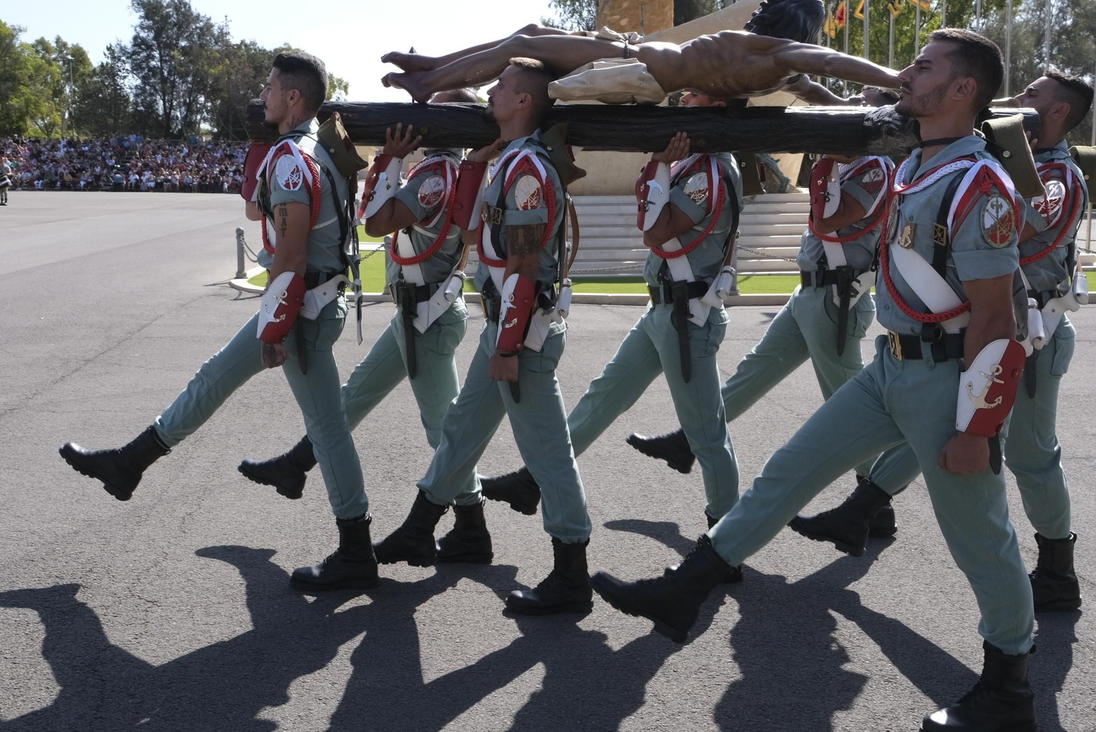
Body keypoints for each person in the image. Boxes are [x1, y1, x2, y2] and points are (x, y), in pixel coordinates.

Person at [591, 30, 1040, 732]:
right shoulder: (919, 165)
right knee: (786, 472)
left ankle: (1009, 687)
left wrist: (976, 428)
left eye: (924, 65)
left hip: (945, 377)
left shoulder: (978, 184)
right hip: (891, 364)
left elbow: (995, 317)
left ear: (963, 91)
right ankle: (688, 588)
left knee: (980, 537)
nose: (906, 70)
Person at [59, 51, 378, 592]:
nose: (264, 92)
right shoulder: (322, 149)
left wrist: (274, 328)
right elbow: (264, 214)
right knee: (216, 377)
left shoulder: (292, 159)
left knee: (327, 430)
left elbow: (291, 255)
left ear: (293, 97)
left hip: (299, 309)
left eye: (272, 86)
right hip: (312, 303)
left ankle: (357, 551)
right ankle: (130, 463)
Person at [792, 70, 1093, 615]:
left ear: (1057, 115)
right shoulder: (991, 160)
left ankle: (1057, 571)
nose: (1017, 100)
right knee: (935, 425)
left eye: (1031, 97)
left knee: (1030, 456)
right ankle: (863, 508)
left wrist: (1002, 158)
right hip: (981, 328)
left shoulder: (1057, 178)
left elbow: (1016, 229)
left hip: (1030, 335)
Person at [478, 95, 746, 561]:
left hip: (687, 318)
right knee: (603, 397)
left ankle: (725, 542)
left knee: (707, 435)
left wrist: (661, 168)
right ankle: (531, 481)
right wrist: (662, 167)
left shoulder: (708, 170)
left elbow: (654, 230)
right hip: (666, 312)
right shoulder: (695, 165)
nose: (683, 98)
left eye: (698, 93)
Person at [373, 58, 595, 616]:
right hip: (505, 324)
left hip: (521, 333)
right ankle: (422, 527)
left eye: (501, 86)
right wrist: (474, 167)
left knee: (548, 455)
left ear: (524, 102)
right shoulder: (509, 163)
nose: (491, 92)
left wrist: (506, 348)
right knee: (462, 430)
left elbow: (522, 265)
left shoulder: (526, 170)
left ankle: (572, 573)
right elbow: (474, 232)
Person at [622, 88, 897, 534]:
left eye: (861, 103)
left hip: (838, 299)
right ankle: (687, 441)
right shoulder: (848, 163)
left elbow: (828, 220)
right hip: (813, 293)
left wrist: (825, 157)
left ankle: (875, 500)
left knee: (851, 406)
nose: (849, 106)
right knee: (754, 372)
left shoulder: (875, 168)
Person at [239, 91, 489, 562]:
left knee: (443, 429)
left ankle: (472, 525)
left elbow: (375, 222)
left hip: (427, 320)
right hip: (418, 314)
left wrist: (390, 160)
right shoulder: (456, 171)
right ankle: (296, 465)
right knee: (354, 395)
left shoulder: (437, 173)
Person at [380, 0, 901, 104]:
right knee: (535, 33)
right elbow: (832, 100)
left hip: (634, 63)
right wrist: (861, 102)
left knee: (523, 41)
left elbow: (837, 61)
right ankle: (433, 66)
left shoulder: (778, 52)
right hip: (635, 57)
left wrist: (895, 80)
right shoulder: (788, 72)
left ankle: (429, 83)